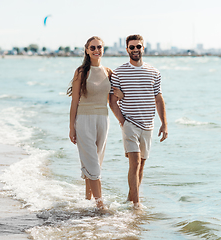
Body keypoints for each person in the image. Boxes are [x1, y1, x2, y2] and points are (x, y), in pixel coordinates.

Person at [109, 34, 168, 208]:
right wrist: (123, 121)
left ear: (143, 48)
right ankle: (136, 205)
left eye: (138, 46)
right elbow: (112, 100)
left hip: (148, 125)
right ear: (127, 49)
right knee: (134, 163)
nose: (135, 50)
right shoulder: (119, 72)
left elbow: (158, 98)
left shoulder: (154, 72)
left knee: (141, 165)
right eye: (132, 47)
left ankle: (130, 198)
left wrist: (164, 123)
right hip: (130, 124)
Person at [68, 36, 123, 209]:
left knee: (96, 161)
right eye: (93, 48)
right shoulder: (81, 72)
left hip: (103, 120)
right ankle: (101, 206)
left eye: (99, 47)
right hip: (84, 119)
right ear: (87, 50)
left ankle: (87, 200)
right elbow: (74, 101)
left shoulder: (108, 72)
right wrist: (71, 127)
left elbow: (115, 97)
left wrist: (124, 119)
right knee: (92, 162)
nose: (96, 50)